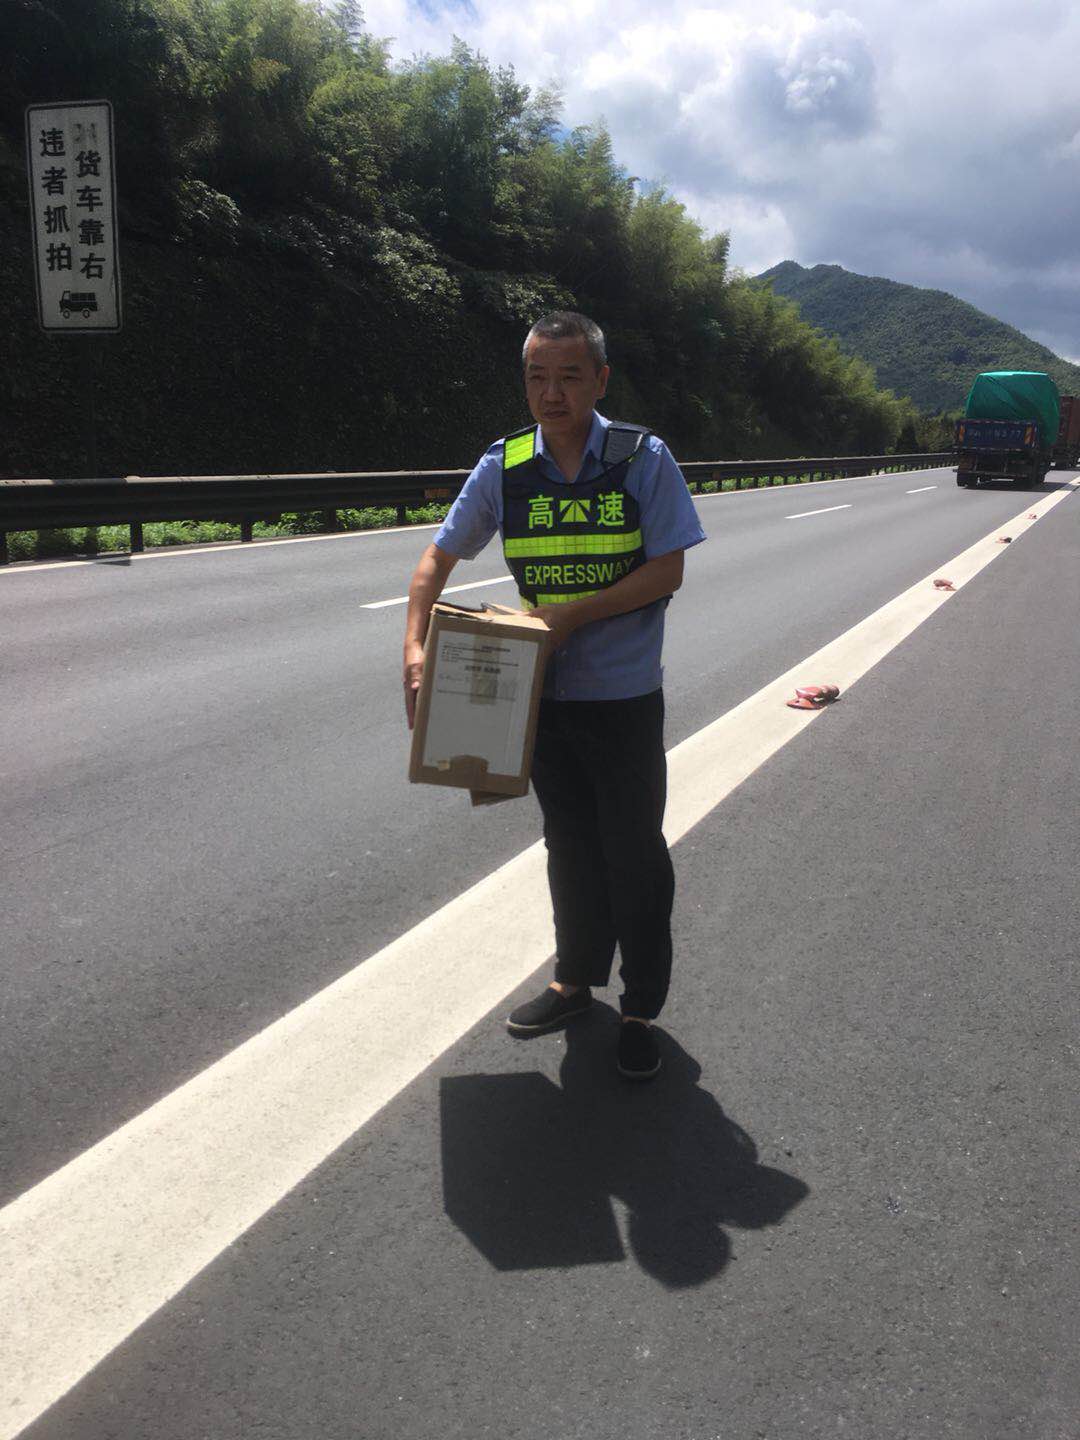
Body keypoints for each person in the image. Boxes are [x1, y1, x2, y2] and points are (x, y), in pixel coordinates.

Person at [403, 311, 705, 1079]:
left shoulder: (641, 459)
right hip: (539, 692)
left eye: (569, 376)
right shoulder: (504, 465)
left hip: (622, 695)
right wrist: (414, 647)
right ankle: (574, 981)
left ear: (600, 380)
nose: (552, 393)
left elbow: (667, 569)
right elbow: (435, 561)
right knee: (567, 842)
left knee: (633, 850)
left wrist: (572, 614)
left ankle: (639, 1009)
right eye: (538, 377)